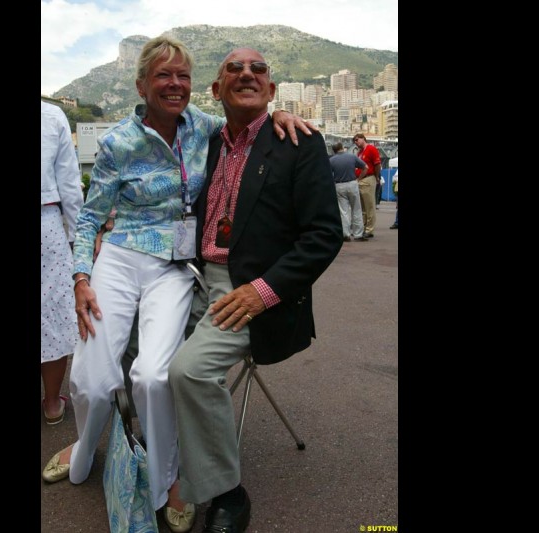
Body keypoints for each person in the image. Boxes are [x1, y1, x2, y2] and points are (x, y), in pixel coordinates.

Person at [41, 36, 315, 533]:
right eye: (163, 76)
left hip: (173, 266)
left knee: (151, 376)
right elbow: (88, 220)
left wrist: (278, 116)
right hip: (121, 258)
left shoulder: (204, 128)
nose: (174, 84)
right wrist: (81, 278)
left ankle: (168, 479)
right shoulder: (118, 141)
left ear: (196, 86)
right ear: (142, 84)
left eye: (182, 76)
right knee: (93, 379)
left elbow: (248, 121)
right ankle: (83, 447)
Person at [168, 47, 343, 533]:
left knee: (188, 371)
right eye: (234, 68)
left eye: (259, 69)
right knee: (133, 353)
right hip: (191, 278)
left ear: (270, 89)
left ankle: (227, 491)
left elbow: (325, 235)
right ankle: (163, 464)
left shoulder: (299, 142)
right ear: (215, 89)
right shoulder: (204, 140)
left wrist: (262, 292)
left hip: (249, 290)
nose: (247, 73)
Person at [40, 101, 84, 425]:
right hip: (46, 225)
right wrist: (82, 242)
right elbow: (70, 186)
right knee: (52, 316)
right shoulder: (51, 116)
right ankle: (53, 403)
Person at [329, 141, 368, 242]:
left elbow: (328, 174)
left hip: (339, 185)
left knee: (343, 211)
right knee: (356, 209)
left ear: (334, 150)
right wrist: (359, 179)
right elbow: (365, 167)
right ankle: (358, 234)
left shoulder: (331, 160)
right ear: (342, 147)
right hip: (352, 183)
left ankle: (345, 234)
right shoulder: (352, 157)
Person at [352, 133, 381, 239]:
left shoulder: (371, 149)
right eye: (354, 141)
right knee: (363, 207)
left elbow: (377, 164)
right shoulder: (359, 152)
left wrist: (376, 177)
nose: (356, 142)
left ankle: (369, 230)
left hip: (368, 178)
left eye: (357, 139)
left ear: (363, 138)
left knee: (369, 206)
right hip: (361, 180)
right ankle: (364, 228)